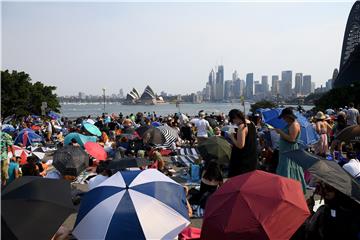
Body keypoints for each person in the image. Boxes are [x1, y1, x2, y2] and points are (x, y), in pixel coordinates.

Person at [274, 107, 306, 193]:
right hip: (285, 150)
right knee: (285, 168)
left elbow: (292, 139)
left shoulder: (294, 124)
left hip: (290, 151)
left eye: (284, 117)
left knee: (288, 168)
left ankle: (289, 189)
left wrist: (280, 132)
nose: (283, 119)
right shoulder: (289, 124)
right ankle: (285, 188)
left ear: (289, 116)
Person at [227, 109, 257, 177]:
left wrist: (232, 137)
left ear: (236, 118)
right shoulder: (251, 123)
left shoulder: (242, 126)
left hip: (242, 159)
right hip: (251, 155)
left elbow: (240, 145)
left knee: (238, 179)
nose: (234, 123)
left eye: (233, 120)